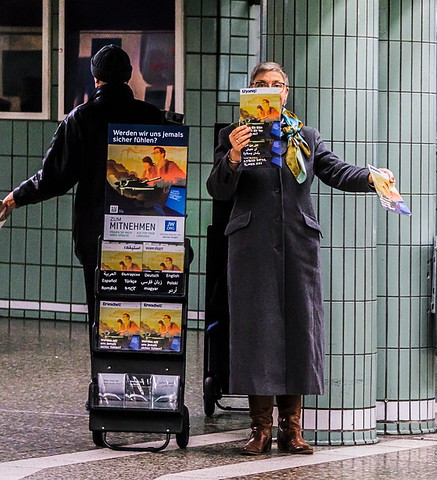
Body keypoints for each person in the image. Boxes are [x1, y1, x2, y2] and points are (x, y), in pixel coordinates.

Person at [207, 61, 393, 456]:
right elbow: (219, 191)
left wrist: (371, 176)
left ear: (286, 92)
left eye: (277, 84)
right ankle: (259, 429)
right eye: (261, 84)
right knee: (258, 334)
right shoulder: (232, 135)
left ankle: (292, 430)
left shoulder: (304, 135)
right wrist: (234, 156)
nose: (270, 89)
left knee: (297, 330)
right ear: (250, 91)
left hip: (298, 244)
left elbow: (334, 170)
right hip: (251, 245)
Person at [0, 44, 163, 328]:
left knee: (104, 317)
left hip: (98, 234)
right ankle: (141, 370)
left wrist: (14, 198)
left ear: (95, 78)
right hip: (148, 231)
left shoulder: (81, 118)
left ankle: (103, 372)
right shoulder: (154, 117)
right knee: (143, 313)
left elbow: (53, 178)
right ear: (128, 76)